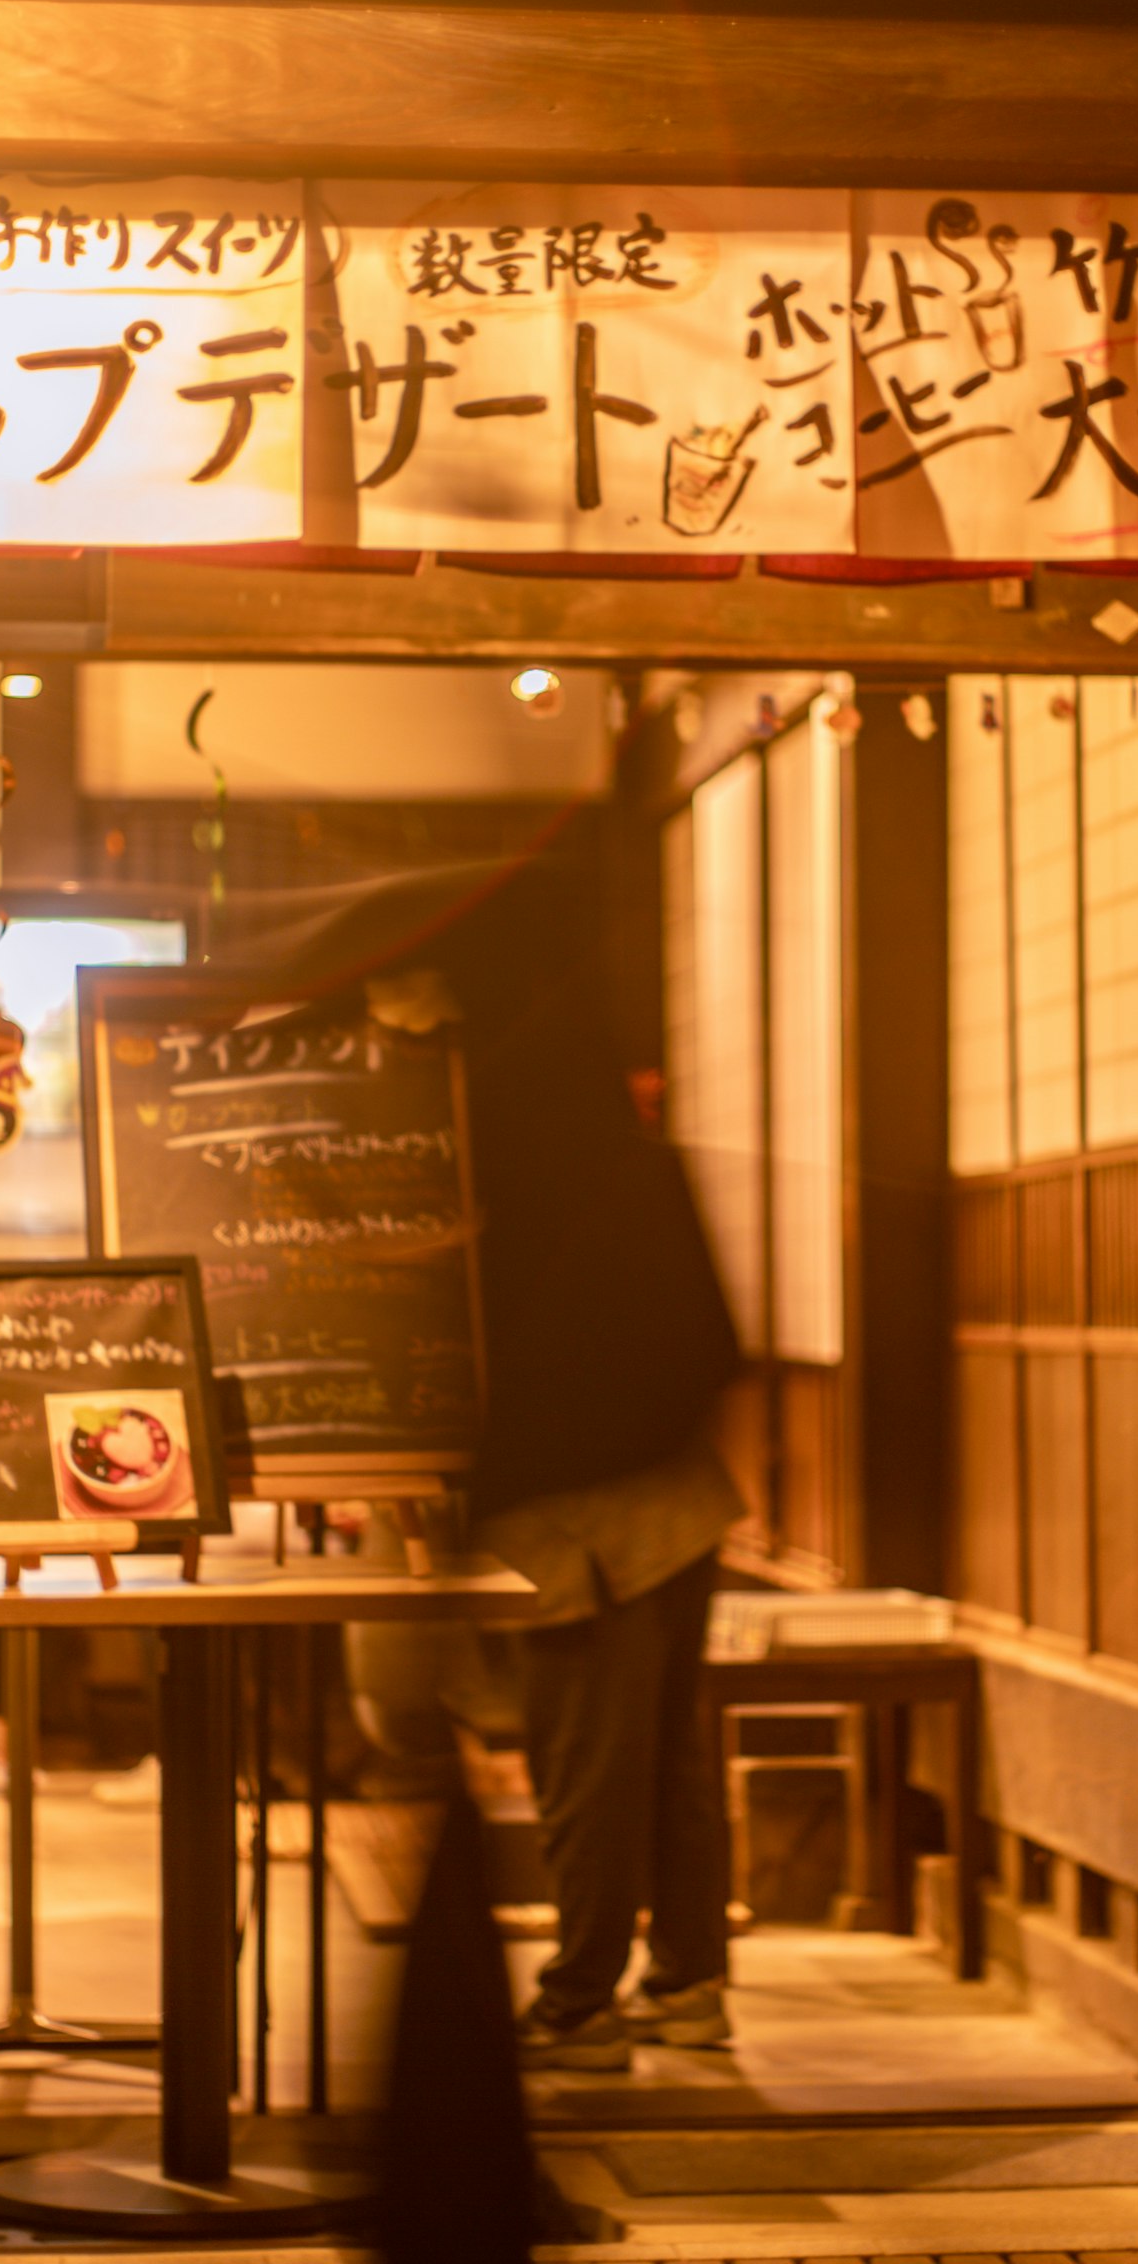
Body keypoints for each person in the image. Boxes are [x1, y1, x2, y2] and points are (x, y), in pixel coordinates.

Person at [222, 837, 748, 2071]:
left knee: (590, 1762)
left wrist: (319, 1215)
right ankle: (687, 1984)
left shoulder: (491, 1104)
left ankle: (582, 2001)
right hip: (674, 1476)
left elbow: (450, 1251)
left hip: (586, 1506)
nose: (400, 1026)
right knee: (665, 1754)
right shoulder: (572, 1103)